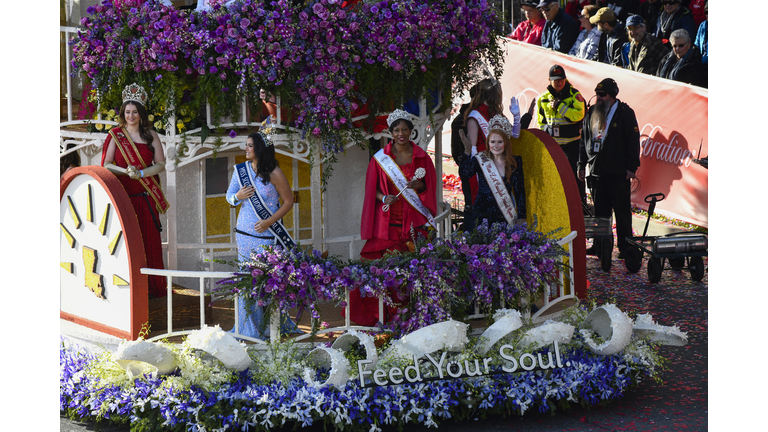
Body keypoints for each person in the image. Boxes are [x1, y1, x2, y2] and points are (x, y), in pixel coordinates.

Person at [352, 109, 438, 326]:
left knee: (412, 274)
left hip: (413, 225)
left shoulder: (422, 157)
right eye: (396, 130)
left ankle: (412, 317)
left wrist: (421, 186)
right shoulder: (381, 160)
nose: (401, 133)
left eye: (405, 129)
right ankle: (385, 317)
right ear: (390, 133)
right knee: (382, 272)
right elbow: (372, 190)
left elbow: (430, 187)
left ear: (410, 132)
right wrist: (384, 198)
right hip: (388, 226)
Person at [225, 130, 302, 339]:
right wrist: (238, 196)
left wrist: (269, 221)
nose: (246, 149)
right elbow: (229, 197)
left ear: (260, 148)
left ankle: (271, 326)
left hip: (268, 235)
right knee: (246, 281)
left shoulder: (275, 172)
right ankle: (247, 328)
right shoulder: (240, 171)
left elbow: (287, 202)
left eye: (250, 145)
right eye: (246, 145)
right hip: (244, 234)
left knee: (267, 281)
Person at [101, 83, 169, 298]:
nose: (131, 116)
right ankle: (130, 289)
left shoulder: (151, 135)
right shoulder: (115, 135)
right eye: (127, 112)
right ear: (123, 113)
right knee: (128, 242)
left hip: (146, 197)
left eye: (135, 112)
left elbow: (160, 164)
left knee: (149, 241)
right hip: (125, 198)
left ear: (141, 113)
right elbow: (106, 165)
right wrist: (125, 171)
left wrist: (141, 173)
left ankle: (153, 288)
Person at [577, 78, 640, 259]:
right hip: (597, 172)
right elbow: (584, 141)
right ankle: (600, 246)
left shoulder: (625, 113)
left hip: (618, 173)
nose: (599, 98)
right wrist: (581, 164)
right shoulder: (592, 113)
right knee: (601, 213)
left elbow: (633, 142)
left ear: (613, 96)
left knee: (621, 212)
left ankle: (625, 246)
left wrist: (631, 167)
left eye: (603, 95)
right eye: (597, 94)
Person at [458, 114, 526, 231]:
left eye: (500, 142)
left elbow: (520, 191)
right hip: (480, 217)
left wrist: (521, 217)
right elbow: (465, 173)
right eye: (492, 142)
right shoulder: (481, 159)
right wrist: (467, 151)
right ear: (488, 142)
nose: (496, 146)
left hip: (504, 218)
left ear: (506, 143)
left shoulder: (515, 163)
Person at [537, 65, 587, 205]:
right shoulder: (543, 98)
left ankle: (580, 206)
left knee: (575, 177)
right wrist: (546, 134)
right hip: (554, 146)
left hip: (573, 144)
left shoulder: (574, 95)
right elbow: (541, 121)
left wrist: (560, 107)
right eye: (555, 80)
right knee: (555, 177)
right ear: (549, 80)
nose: (559, 83)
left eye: (561, 80)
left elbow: (578, 115)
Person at [460, 78, 506, 211]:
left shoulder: (496, 113)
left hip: (499, 161)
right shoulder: (475, 115)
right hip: (483, 165)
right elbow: (473, 149)